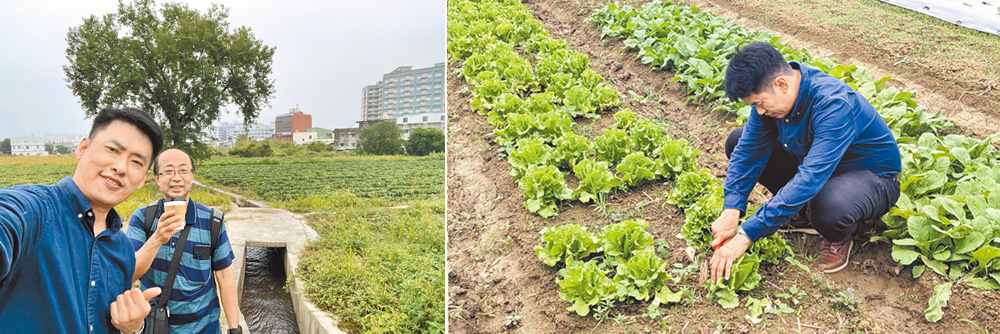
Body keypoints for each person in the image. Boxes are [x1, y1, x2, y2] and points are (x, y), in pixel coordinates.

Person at [709, 42, 901, 282]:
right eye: (753, 105)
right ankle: (802, 212)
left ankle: (837, 234)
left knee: (829, 205)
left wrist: (745, 235)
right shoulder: (774, 102)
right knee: (737, 141)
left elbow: (810, 179)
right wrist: (732, 208)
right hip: (816, 166)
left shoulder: (833, 104)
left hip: (871, 179)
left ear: (781, 84)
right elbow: (748, 152)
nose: (758, 111)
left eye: (759, 103)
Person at [0, 107, 164, 333]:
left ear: (142, 180)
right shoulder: (35, 211)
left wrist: (133, 328)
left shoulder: (123, 250)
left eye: (136, 162)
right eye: (112, 149)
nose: (121, 168)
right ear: (83, 148)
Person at [126, 148, 243, 334]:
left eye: (183, 170)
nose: (176, 177)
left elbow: (225, 277)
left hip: (205, 327)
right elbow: (128, 273)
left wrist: (234, 329)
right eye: (168, 171)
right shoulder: (143, 218)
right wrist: (157, 238)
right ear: (157, 178)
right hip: (157, 327)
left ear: (192, 175)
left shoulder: (212, 221)